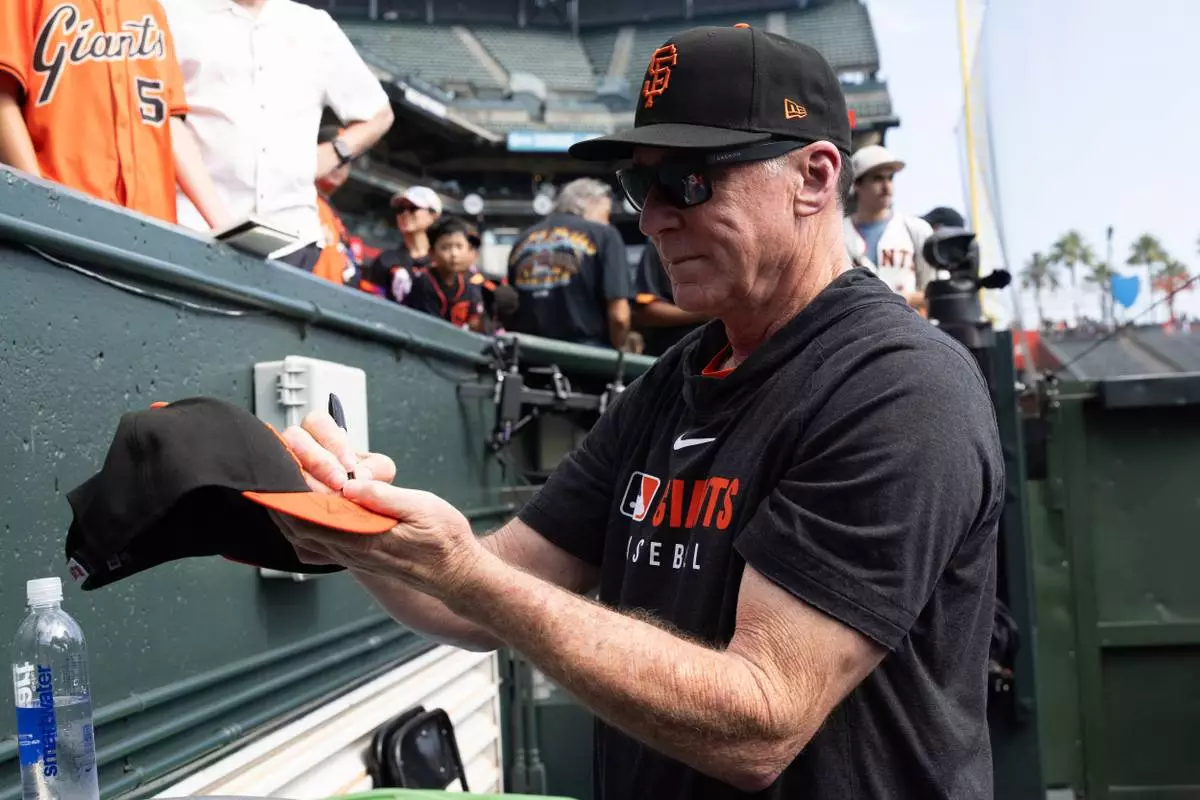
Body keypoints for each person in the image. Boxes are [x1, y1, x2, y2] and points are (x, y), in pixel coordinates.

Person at [272, 23, 1003, 800]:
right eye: (637, 186)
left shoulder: (901, 387)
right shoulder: (677, 378)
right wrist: (357, 526)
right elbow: (481, 592)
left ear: (814, 178)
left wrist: (463, 572)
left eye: (687, 180)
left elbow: (762, 720)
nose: (651, 219)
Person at [160, 0, 394, 271]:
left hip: (292, 234)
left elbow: (379, 114)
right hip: (192, 225)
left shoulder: (314, 25)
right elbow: (161, 112)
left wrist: (334, 152)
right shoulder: (174, 11)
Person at [0, 0, 228, 228]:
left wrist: (224, 224)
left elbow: (167, 121)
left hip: (153, 228)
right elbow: (3, 98)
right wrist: (40, 206)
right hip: (64, 214)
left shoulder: (150, 8)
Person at [506, 177, 632, 350]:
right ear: (591, 203)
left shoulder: (523, 240)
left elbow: (510, 307)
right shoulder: (605, 235)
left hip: (530, 353)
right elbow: (619, 315)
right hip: (589, 355)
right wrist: (622, 350)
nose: (607, 221)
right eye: (606, 213)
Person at [844, 144, 935, 311]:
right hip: (858, 325)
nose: (887, 187)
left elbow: (937, 292)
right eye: (878, 178)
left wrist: (903, 299)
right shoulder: (838, 234)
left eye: (890, 178)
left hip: (909, 324)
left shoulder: (916, 229)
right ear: (857, 184)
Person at [402, 216, 485, 332]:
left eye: (459, 246)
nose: (454, 254)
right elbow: (429, 327)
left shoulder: (468, 283)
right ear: (432, 253)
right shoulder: (424, 282)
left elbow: (474, 322)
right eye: (445, 248)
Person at [362, 185, 443, 302]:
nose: (405, 213)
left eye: (413, 208)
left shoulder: (443, 262)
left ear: (433, 215)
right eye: (400, 209)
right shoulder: (386, 260)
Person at [632, 242, 709, 357]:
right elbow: (646, 311)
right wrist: (706, 312)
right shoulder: (660, 242)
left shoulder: (728, 246)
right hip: (671, 354)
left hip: (725, 353)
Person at [311, 125, 361, 288]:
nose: (340, 164)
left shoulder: (335, 218)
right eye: (336, 153)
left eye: (347, 159)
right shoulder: (296, 198)